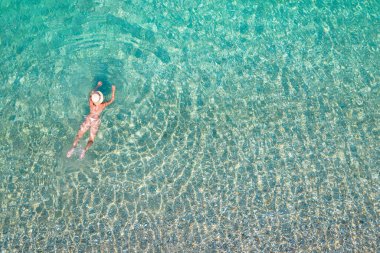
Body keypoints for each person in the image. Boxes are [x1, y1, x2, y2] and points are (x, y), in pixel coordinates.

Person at [67, 81, 116, 159]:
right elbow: (112, 100)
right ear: (101, 99)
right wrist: (113, 90)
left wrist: (97, 86)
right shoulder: (102, 105)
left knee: (79, 135)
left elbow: (91, 93)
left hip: (89, 118)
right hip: (96, 121)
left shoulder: (91, 102)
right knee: (91, 139)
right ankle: (84, 150)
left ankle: (72, 148)